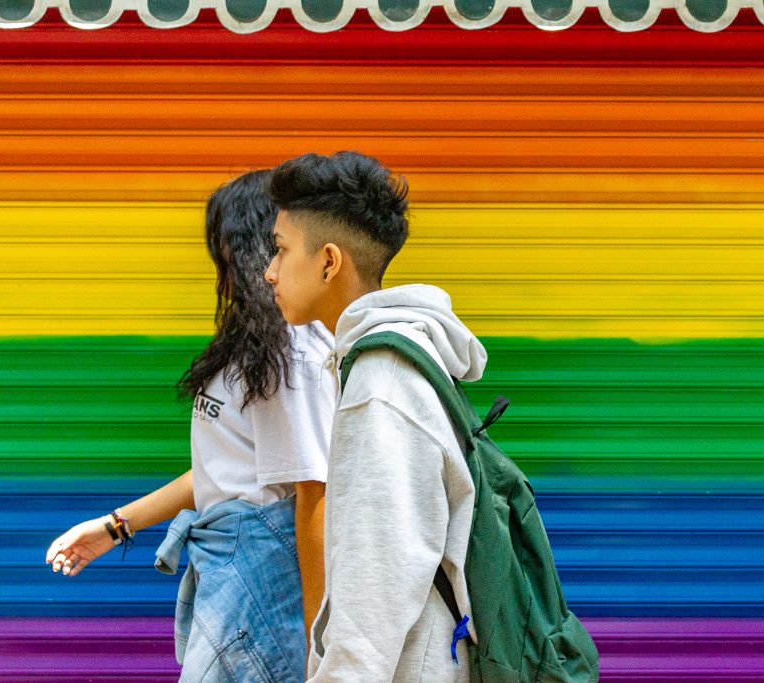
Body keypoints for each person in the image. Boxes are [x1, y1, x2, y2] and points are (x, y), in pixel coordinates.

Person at [45, 170, 334, 683]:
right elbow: (223, 471)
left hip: (266, 580)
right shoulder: (258, 348)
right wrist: (114, 528)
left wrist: (320, 649)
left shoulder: (296, 352)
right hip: (234, 571)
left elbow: (316, 493)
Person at [264, 151, 485, 682]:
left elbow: (377, 579)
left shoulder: (379, 382)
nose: (270, 272)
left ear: (329, 261)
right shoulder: (386, 361)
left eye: (280, 250)